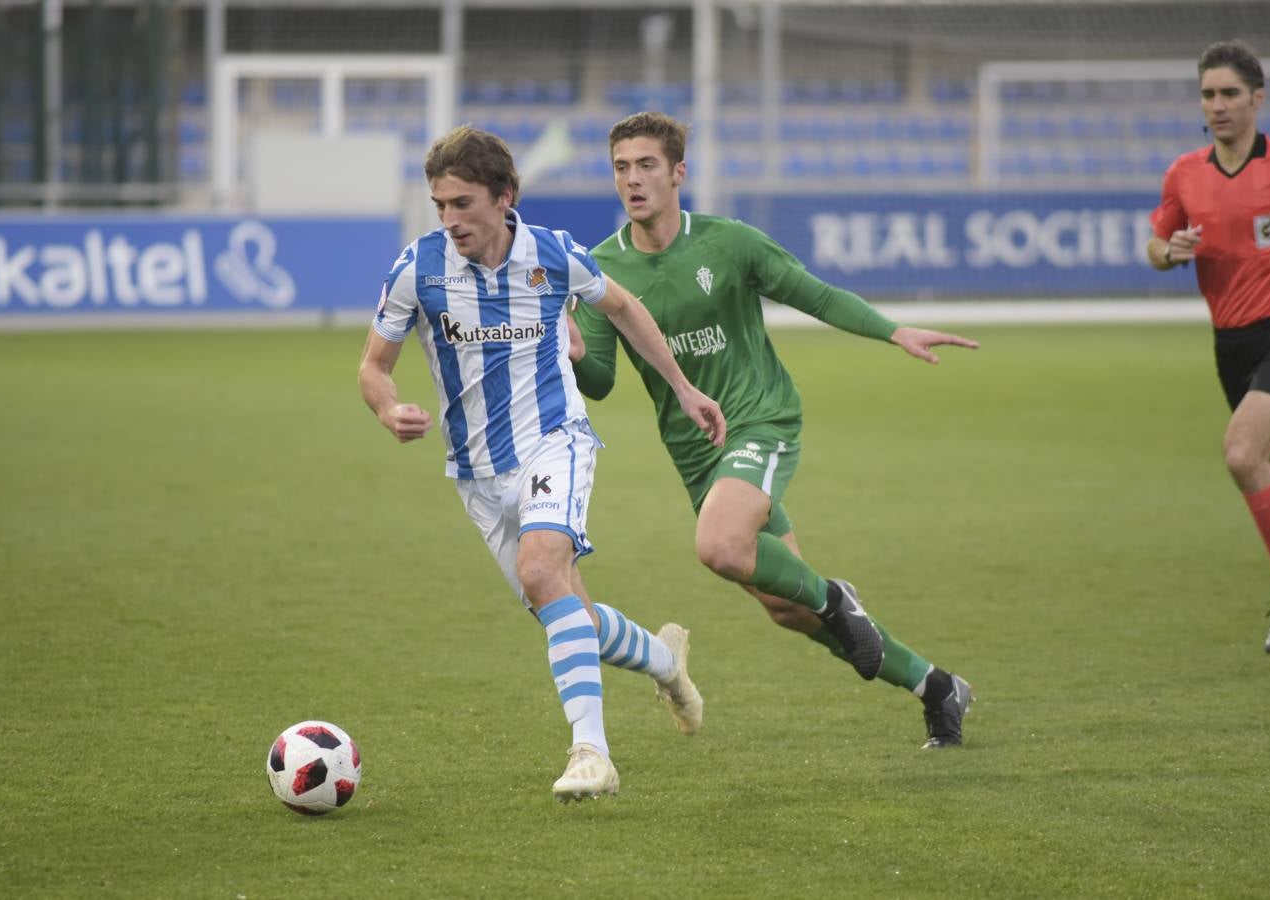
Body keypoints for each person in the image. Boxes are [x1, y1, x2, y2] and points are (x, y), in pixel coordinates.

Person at [568, 111, 980, 749]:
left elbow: (815, 294)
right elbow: (598, 381)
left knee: (721, 547)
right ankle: (937, 687)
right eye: (621, 167)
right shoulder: (601, 269)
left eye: (647, 165)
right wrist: (571, 350)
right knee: (789, 607)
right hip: (697, 453)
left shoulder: (729, 242)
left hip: (760, 420)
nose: (633, 179)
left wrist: (893, 330)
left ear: (678, 173)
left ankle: (837, 597)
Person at [358, 125, 726, 801]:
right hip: (476, 472)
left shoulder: (553, 254)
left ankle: (592, 754)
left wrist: (682, 387)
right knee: (563, 609)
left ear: (505, 197)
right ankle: (665, 662)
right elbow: (373, 366)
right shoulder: (419, 268)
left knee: (540, 570)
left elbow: (624, 307)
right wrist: (387, 409)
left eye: (463, 203)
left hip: (556, 439)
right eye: (440, 205)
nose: (450, 219)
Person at [1148, 41, 1270, 654]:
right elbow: (1155, 246)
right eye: (1209, 94)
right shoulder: (1184, 174)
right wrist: (1170, 252)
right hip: (1233, 347)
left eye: (1230, 93)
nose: (1218, 105)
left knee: (1243, 454)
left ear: (1257, 98)